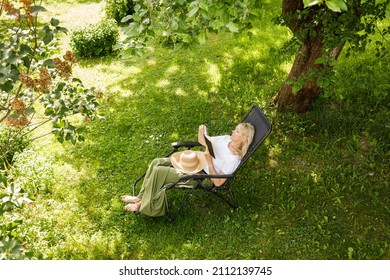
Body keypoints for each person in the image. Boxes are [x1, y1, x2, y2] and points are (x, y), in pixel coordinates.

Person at [120, 122, 255, 217]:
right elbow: (203, 141)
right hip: (197, 162)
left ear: (243, 139)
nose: (233, 131)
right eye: (235, 129)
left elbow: (219, 183)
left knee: (159, 172)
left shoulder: (233, 159)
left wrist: (209, 162)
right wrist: (202, 131)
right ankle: (140, 197)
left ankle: (143, 205)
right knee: (157, 162)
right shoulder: (226, 139)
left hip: (204, 177)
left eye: (237, 131)